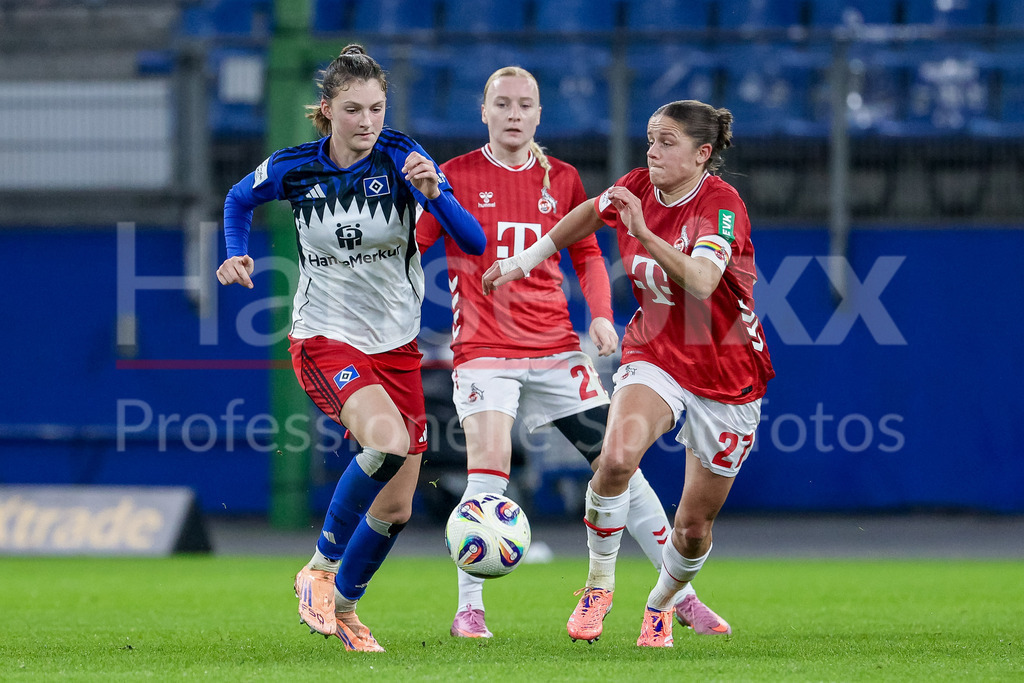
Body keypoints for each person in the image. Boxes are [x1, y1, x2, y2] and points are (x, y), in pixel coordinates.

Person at [419, 69, 730, 640]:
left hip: (557, 348)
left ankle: (679, 595)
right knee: (489, 471)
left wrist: (603, 318)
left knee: (619, 469)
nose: (514, 114)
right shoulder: (453, 177)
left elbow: (586, 253)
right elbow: (417, 247)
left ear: (539, 115)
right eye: (502, 104)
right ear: (482, 112)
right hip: (485, 349)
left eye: (526, 104)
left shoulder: (560, 178)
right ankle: (470, 610)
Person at [216, 44, 486, 652]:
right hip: (325, 337)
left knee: (396, 507)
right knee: (385, 441)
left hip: (397, 349)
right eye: (354, 109)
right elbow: (239, 197)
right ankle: (318, 567)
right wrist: (234, 250)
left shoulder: (404, 159)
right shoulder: (296, 167)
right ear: (327, 112)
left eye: (377, 108)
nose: (367, 121)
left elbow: (474, 243)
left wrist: (436, 193)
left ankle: (344, 607)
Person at [483, 100, 774, 647]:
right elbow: (591, 214)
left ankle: (661, 602)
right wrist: (525, 260)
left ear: (701, 154)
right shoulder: (638, 183)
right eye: (649, 139)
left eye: (667, 142)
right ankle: (598, 586)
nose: (652, 151)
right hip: (658, 348)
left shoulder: (721, 205)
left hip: (728, 371)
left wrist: (643, 229)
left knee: (692, 529)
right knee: (614, 459)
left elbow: (704, 281)